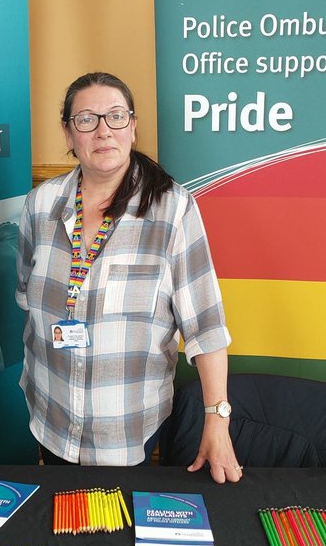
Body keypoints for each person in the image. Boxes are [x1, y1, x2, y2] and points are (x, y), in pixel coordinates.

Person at [17, 71, 241, 483]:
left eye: (116, 117)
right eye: (86, 119)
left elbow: (205, 327)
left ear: (132, 128)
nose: (103, 130)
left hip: (126, 432)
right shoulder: (40, 205)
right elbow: (27, 297)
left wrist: (218, 419)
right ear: (69, 135)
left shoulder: (172, 209)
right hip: (51, 415)